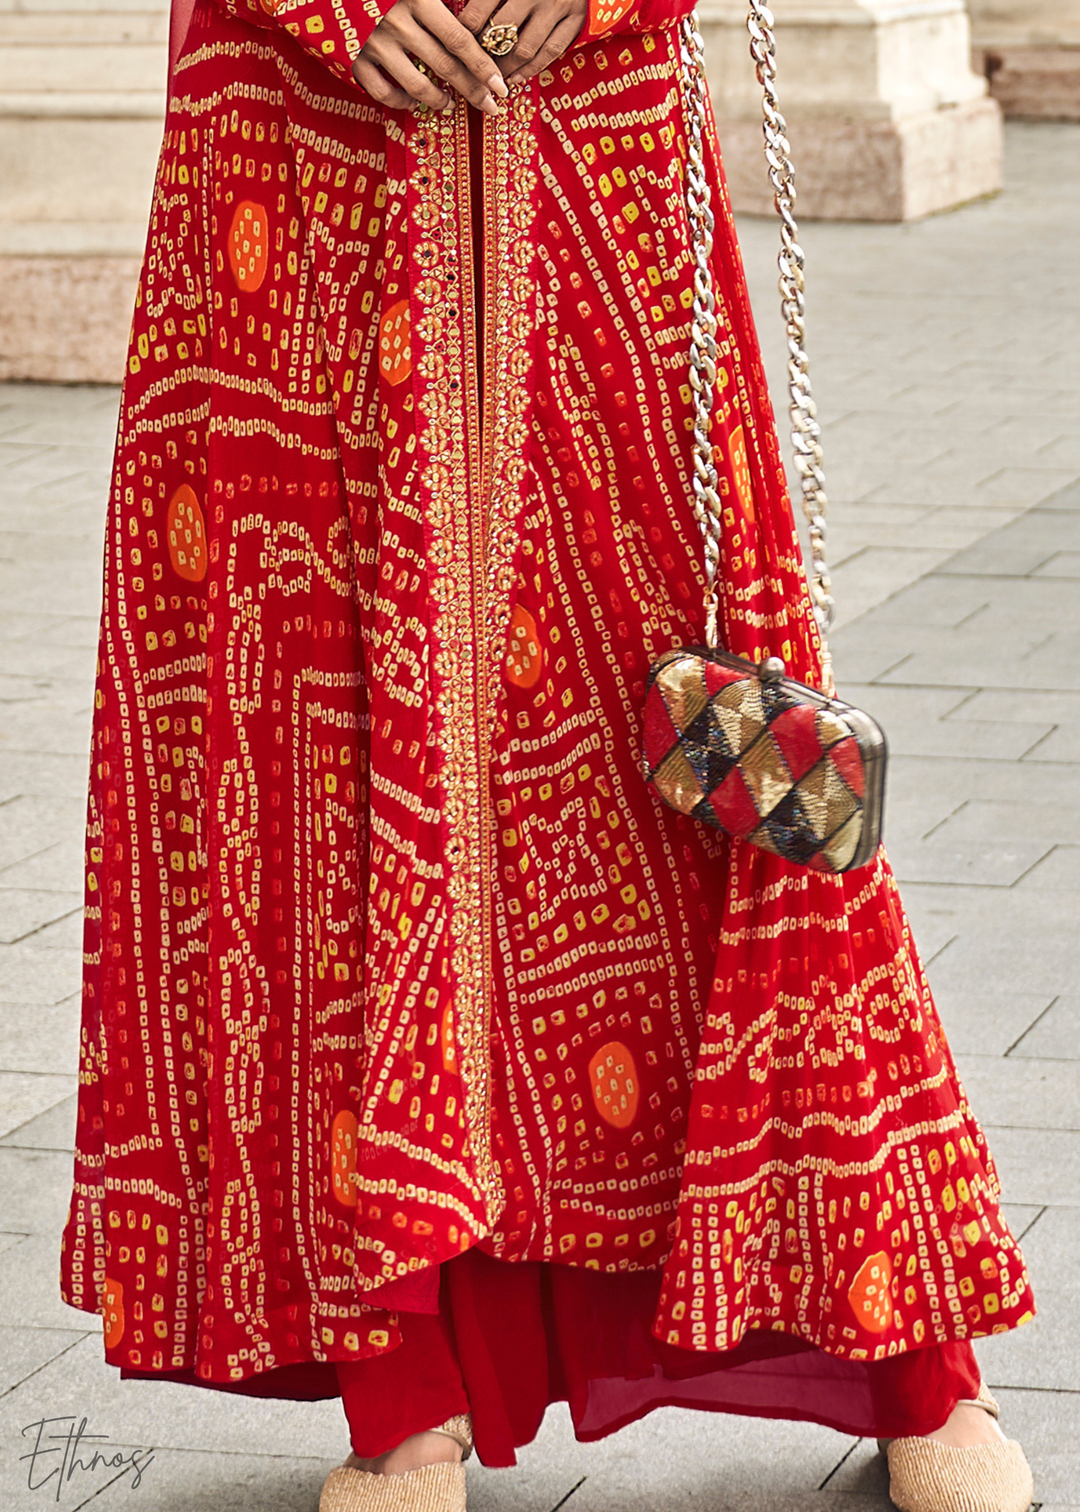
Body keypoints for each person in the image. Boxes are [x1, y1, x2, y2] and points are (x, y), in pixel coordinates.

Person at [59, 0, 1037, 1504]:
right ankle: (405, 1389)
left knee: (684, 706)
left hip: (593, 100)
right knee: (308, 715)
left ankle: (907, 1352)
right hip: (297, 107)